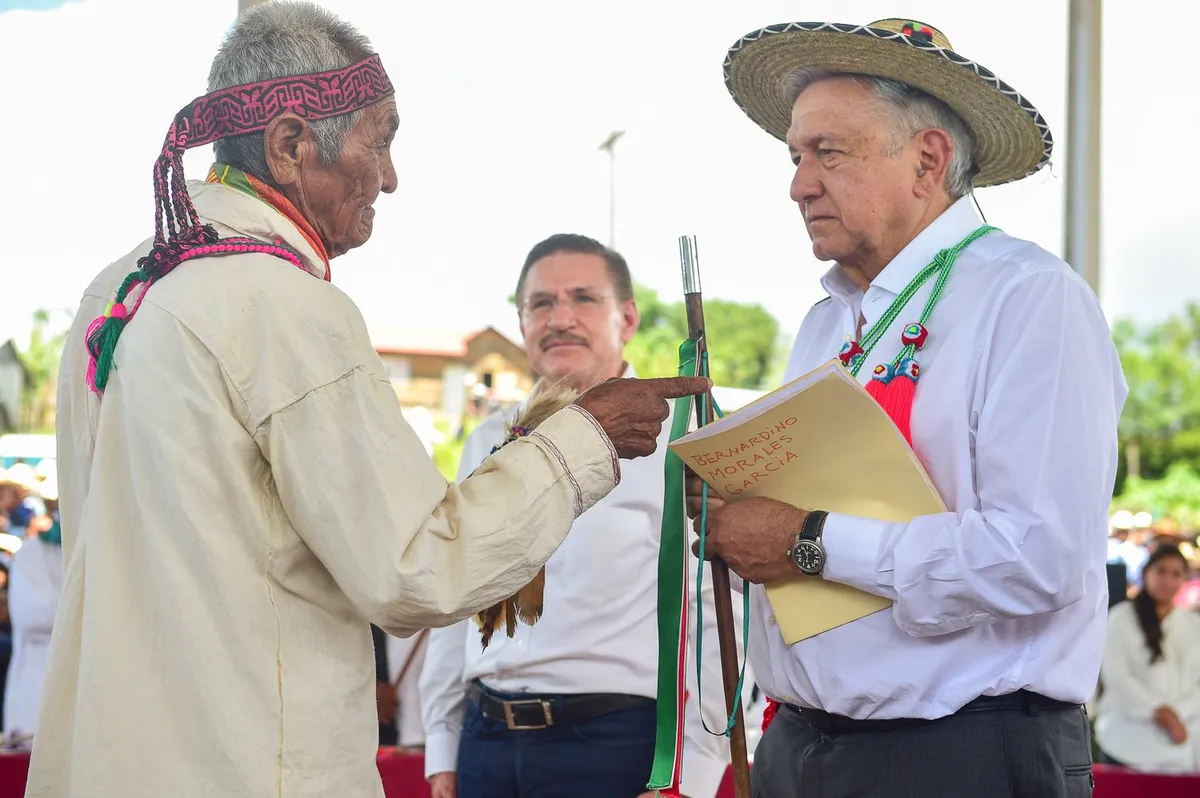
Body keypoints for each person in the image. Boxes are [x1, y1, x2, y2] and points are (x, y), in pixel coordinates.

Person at [27, 5, 708, 797]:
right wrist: (586, 437)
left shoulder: (119, 290)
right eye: (379, 140)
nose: (389, 176)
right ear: (289, 146)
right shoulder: (279, 303)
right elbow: (418, 565)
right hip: (247, 766)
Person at [688, 17, 1127, 797]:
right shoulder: (829, 320)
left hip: (962, 753)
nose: (798, 183)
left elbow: (1039, 557)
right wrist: (737, 508)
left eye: (829, 151)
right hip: (808, 741)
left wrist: (805, 540)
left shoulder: (1028, 298)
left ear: (928, 160)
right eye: (796, 155)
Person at [420, 234, 740, 798]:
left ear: (629, 316)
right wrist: (443, 747)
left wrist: (690, 774)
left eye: (584, 299)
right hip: (485, 744)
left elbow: (721, 612)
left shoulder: (682, 435)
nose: (560, 318)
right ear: (520, 322)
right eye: (541, 303)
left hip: (613, 747)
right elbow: (455, 595)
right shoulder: (488, 439)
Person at [1095, 544, 1200, 772]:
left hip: (1184, 737)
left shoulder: (1194, 623)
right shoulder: (1121, 617)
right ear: (1146, 573)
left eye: (1176, 574)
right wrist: (1159, 712)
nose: (1167, 580)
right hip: (1127, 737)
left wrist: (1178, 714)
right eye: (1161, 571)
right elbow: (1117, 676)